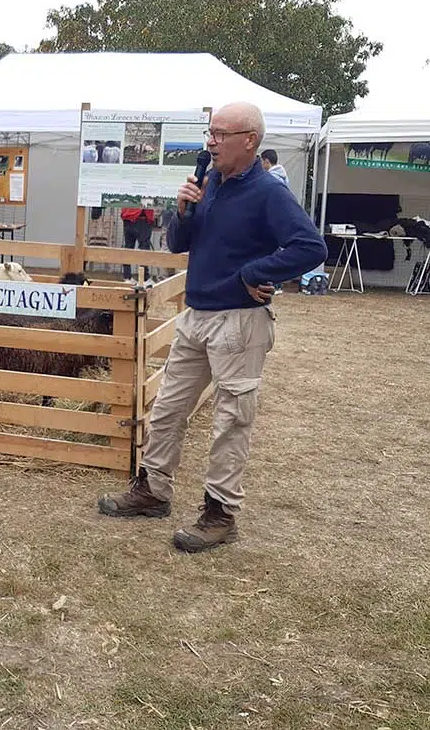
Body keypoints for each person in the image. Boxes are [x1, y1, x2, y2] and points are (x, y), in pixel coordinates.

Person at [98, 102, 327, 553]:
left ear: (250, 141)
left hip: (239, 322)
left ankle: (220, 514)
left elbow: (309, 246)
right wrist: (183, 212)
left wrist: (255, 273)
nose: (211, 141)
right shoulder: (211, 182)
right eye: (210, 132)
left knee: (230, 420)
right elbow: (181, 244)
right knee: (167, 408)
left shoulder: (268, 193)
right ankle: (152, 491)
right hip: (196, 314)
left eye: (221, 134)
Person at [261, 149, 293, 293]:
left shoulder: (272, 178)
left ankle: (276, 284)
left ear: (266, 161)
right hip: (277, 219)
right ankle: (277, 283)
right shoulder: (282, 176)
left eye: (262, 161)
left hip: (271, 219)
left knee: (272, 252)